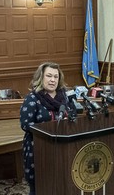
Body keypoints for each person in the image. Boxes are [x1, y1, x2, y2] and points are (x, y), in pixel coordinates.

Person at [20, 62, 68, 195]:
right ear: (41, 77)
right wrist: (48, 130)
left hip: (62, 148)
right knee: (39, 187)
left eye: (56, 77)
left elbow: (72, 117)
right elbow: (25, 124)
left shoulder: (64, 97)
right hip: (38, 148)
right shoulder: (32, 98)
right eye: (49, 76)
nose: (53, 80)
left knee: (61, 184)